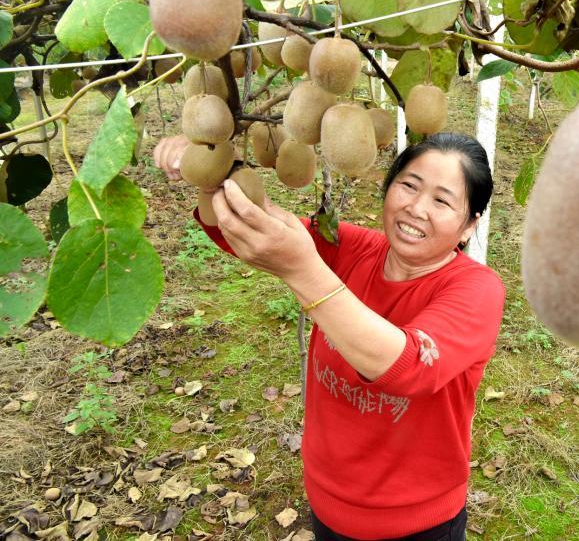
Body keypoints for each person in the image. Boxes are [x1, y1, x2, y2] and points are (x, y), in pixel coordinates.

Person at [154, 132, 505, 540]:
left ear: (469, 225)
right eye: (408, 186)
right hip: (327, 504)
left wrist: (302, 271)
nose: (416, 207)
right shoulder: (350, 247)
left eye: (442, 201)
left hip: (418, 523)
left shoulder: (477, 290)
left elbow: (407, 366)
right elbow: (251, 229)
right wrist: (209, 171)